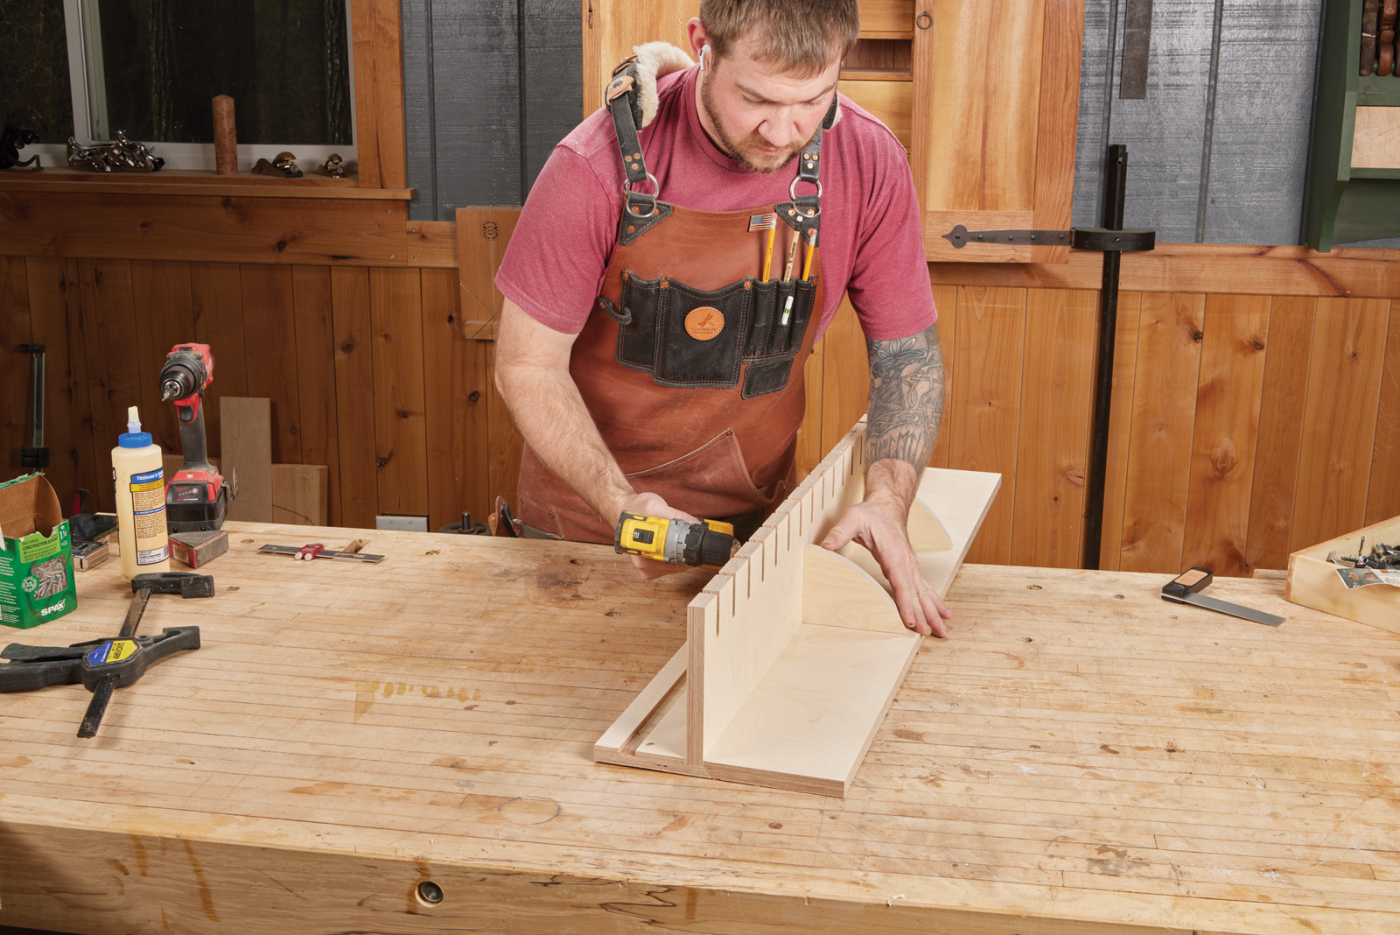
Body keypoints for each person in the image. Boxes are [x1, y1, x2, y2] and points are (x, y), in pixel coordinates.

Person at [493, 0, 950, 636]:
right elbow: (526, 366)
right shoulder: (593, 165)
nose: (783, 131)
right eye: (756, 99)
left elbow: (907, 357)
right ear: (701, 44)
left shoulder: (869, 160)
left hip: (758, 535)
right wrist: (621, 505)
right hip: (589, 535)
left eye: (812, 100)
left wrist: (887, 502)